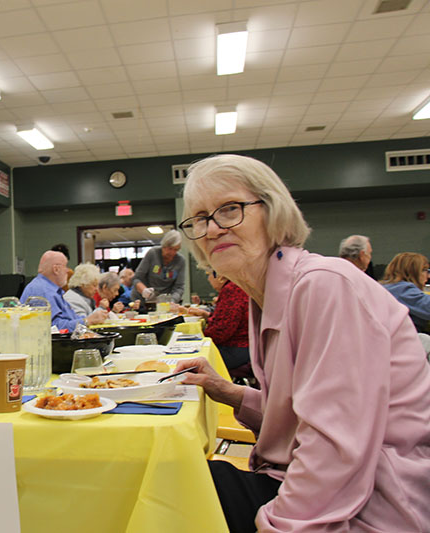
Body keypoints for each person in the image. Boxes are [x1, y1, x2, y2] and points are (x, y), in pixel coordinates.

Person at [173, 154, 430, 532]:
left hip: (372, 503)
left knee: (174, 496)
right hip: (319, 484)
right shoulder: (270, 293)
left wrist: (277, 525)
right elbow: (303, 414)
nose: (212, 229)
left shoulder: (323, 285)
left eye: (229, 210)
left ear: (273, 211)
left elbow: (335, 447)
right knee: (171, 478)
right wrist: (226, 391)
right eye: (199, 218)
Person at [173, 270, 250, 380]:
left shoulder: (231, 290)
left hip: (237, 349)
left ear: (218, 275)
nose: (208, 279)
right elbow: (229, 319)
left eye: (209, 274)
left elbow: (221, 331)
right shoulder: (236, 286)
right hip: (244, 347)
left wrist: (198, 338)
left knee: (188, 361)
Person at [20, 250, 107, 332]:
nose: (68, 270)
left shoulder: (52, 290)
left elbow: (72, 317)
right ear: (56, 269)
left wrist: (89, 319)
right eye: (65, 266)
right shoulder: (42, 291)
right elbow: (54, 328)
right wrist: (87, 321)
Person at [130, 229, 186, 306]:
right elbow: (136, 278)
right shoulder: (153, 253)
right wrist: (144, 290)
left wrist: (172, 300)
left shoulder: (180, 261)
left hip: (164, 302)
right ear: (163, 246)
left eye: (176, 250)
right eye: (170, 248)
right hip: (142, 301)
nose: (172, 253)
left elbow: (179, 287)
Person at [380, 252, 430, 332]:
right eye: (424, 270)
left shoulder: (388, 287)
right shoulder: (402, 289)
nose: (428, 276)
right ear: (412, 271)